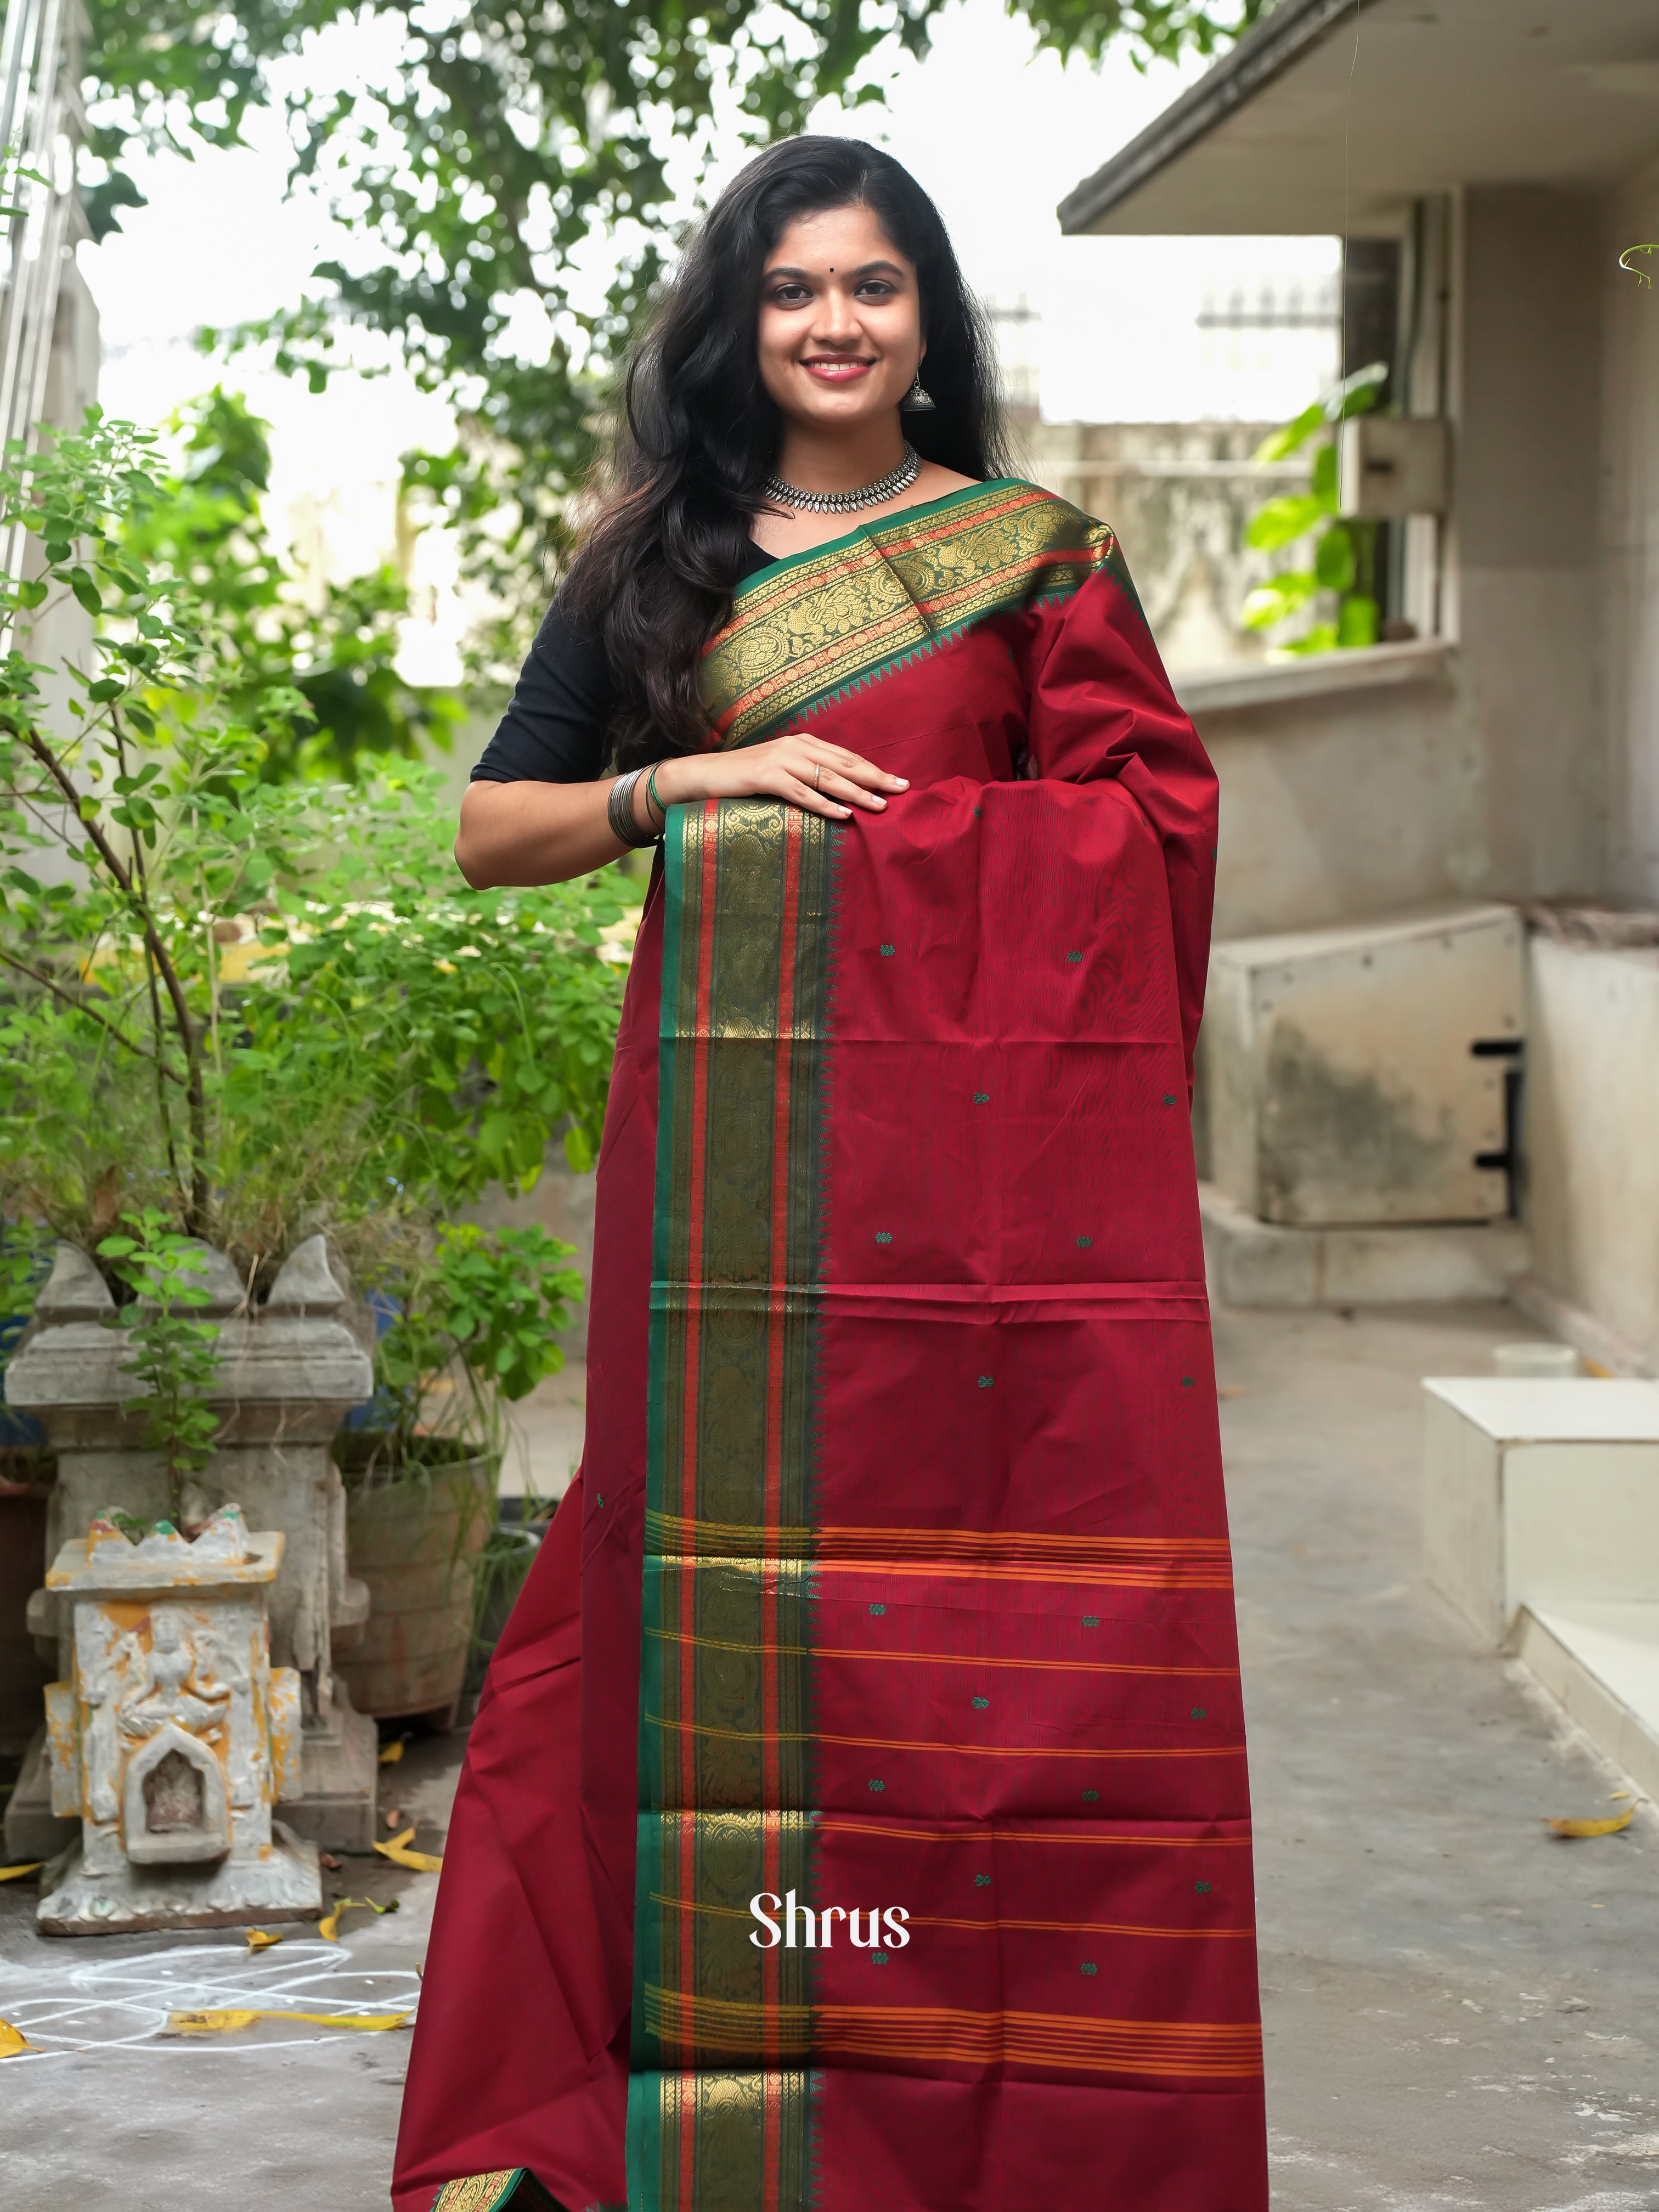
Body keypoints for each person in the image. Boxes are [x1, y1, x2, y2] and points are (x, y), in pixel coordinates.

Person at [394, 135, 1267, 2212]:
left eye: (876, 286)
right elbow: (495, 827)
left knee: (990, 1627)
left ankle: (1003, 2114)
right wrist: (700, 776)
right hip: (728, 1194)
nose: (837, 323)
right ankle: (712, 2093)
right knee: (691, 1595)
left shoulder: (1033, 556)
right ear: (742, 321)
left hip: (991, 1227)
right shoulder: (656, 569)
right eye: (797, 289)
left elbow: (1147, 829)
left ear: (926, 322)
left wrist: (895, 847)